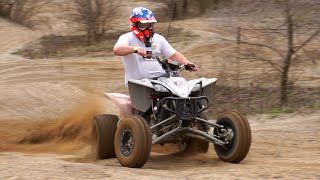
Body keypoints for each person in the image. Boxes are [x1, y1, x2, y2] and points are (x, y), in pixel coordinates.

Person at [113, 7, 199, 85]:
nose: (147, 28)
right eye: (143, 25)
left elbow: (173, 55)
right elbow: (117, 50)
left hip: (161, 79)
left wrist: (187, 63)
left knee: (183, 87)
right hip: (139, 84)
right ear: (134, 24)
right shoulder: (127, 37)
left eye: (149, 25)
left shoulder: (158, 38)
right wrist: (135, 49)